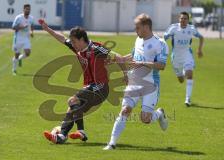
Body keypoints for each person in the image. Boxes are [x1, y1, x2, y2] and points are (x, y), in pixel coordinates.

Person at [39, 20, 125, 144]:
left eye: (74, 42)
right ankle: (61, 136)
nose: (72, 45)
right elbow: (62, 39)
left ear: (81, 39)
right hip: (90, 88)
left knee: (72, 100)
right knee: (72, 109)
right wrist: (48, 29)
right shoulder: (77, 49)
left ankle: (81, 131)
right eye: (72, 42)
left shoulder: (97, 48)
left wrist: (126, 75)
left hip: (100, 87)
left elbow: (119, 57)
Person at [103, 13, 169, 150]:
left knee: (145, 118)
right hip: (134, 81)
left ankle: (159, 114)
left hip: (150, 84)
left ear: (146, 27)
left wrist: (142, 63)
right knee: (125, 110)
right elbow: (133, 55)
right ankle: (112, 143)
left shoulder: (160, 43)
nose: (135, 30)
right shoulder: (138, 39)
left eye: (137, 27)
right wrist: (117, 59)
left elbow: (162, 65)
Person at [164, 12, 204, 106]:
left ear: (188, 20)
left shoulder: (191, 29)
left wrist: (199, 50)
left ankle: (188, 99)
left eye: (185, 18)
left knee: (189, 74)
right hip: (176, 57)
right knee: (181, 80)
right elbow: (163, 39)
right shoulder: (173, 28)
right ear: (179, 19)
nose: (183, 20)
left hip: (187, 54)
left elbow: (201, 37)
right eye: (182, 18)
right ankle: (181, 73)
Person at [12, 4, 34, 75]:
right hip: (18, 38)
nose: (28, 10)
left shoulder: (31, 18)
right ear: (23, 9)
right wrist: (22, 27)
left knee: (28, 53)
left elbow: (32, 26)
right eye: (26, 9)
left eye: (29, 9)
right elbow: (13, 27)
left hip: (26, 38)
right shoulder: (19, 17)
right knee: (16, 54)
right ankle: (14, 70)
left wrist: (31, 32)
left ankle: (20, 59)